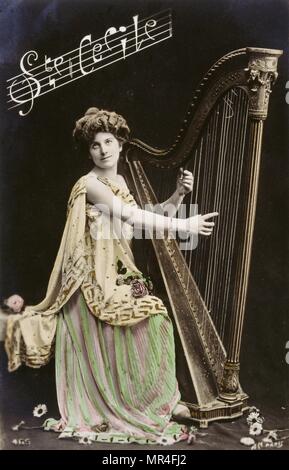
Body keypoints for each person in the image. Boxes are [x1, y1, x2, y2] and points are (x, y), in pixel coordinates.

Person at [5, 107, 217, 445]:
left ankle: (155, 401)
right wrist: (185, 225)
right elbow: (129, 214)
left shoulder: (118, 181)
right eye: (94, 145)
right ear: (88, 150)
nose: (103, 150)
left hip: (115, 276)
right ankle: (130, 405)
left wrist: (178, 195)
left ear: (121, 144)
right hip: (89, 283)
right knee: (152, 315)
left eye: (108, 141)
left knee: (157, 319)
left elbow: (143, 220)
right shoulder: (89, 184)